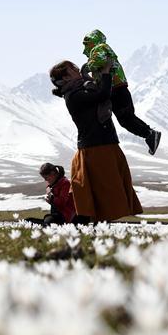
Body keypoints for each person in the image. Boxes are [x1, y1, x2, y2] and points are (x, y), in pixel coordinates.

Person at [50, 60, 143, 222]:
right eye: (72, 69)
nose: (76, 68)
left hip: (104, 143)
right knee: (105, 189)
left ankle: (93, 226)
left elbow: (101, 92)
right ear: (65, 78)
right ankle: (91, 226)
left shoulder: (83, 87)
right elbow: (102, 95)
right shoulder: (73, 96)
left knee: (106, 189)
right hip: (96, 147)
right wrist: (106, 72)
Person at [81, 29, 162, 155]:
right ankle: (150, 134)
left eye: (86, 44)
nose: (84, 49)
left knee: (126, 118)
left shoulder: (99, 48)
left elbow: (100, 60)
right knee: (127, 118)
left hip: (116, 89)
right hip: (118, 89)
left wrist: (87, 67)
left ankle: (149, 134)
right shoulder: (101, 49)